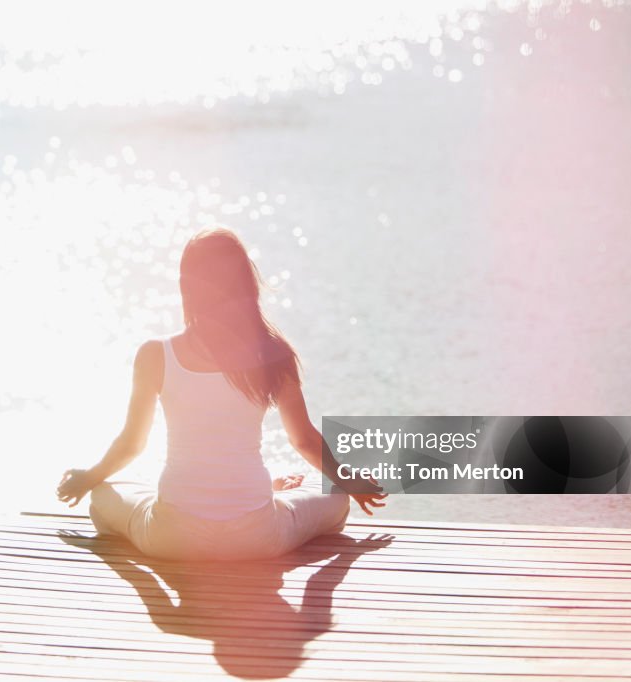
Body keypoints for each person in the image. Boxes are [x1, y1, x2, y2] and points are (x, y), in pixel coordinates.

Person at [57, 227, 386, 560]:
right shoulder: (275, 354)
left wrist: (88, 478)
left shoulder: (155, 355)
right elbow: (302, 440)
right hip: (255, 538)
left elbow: (132, 445)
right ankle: (269, 492)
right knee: (336, 495)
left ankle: (266, 492)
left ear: (188, 287)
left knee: (103, 493)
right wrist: (353, 480)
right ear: (246, 284)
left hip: (173, 537)